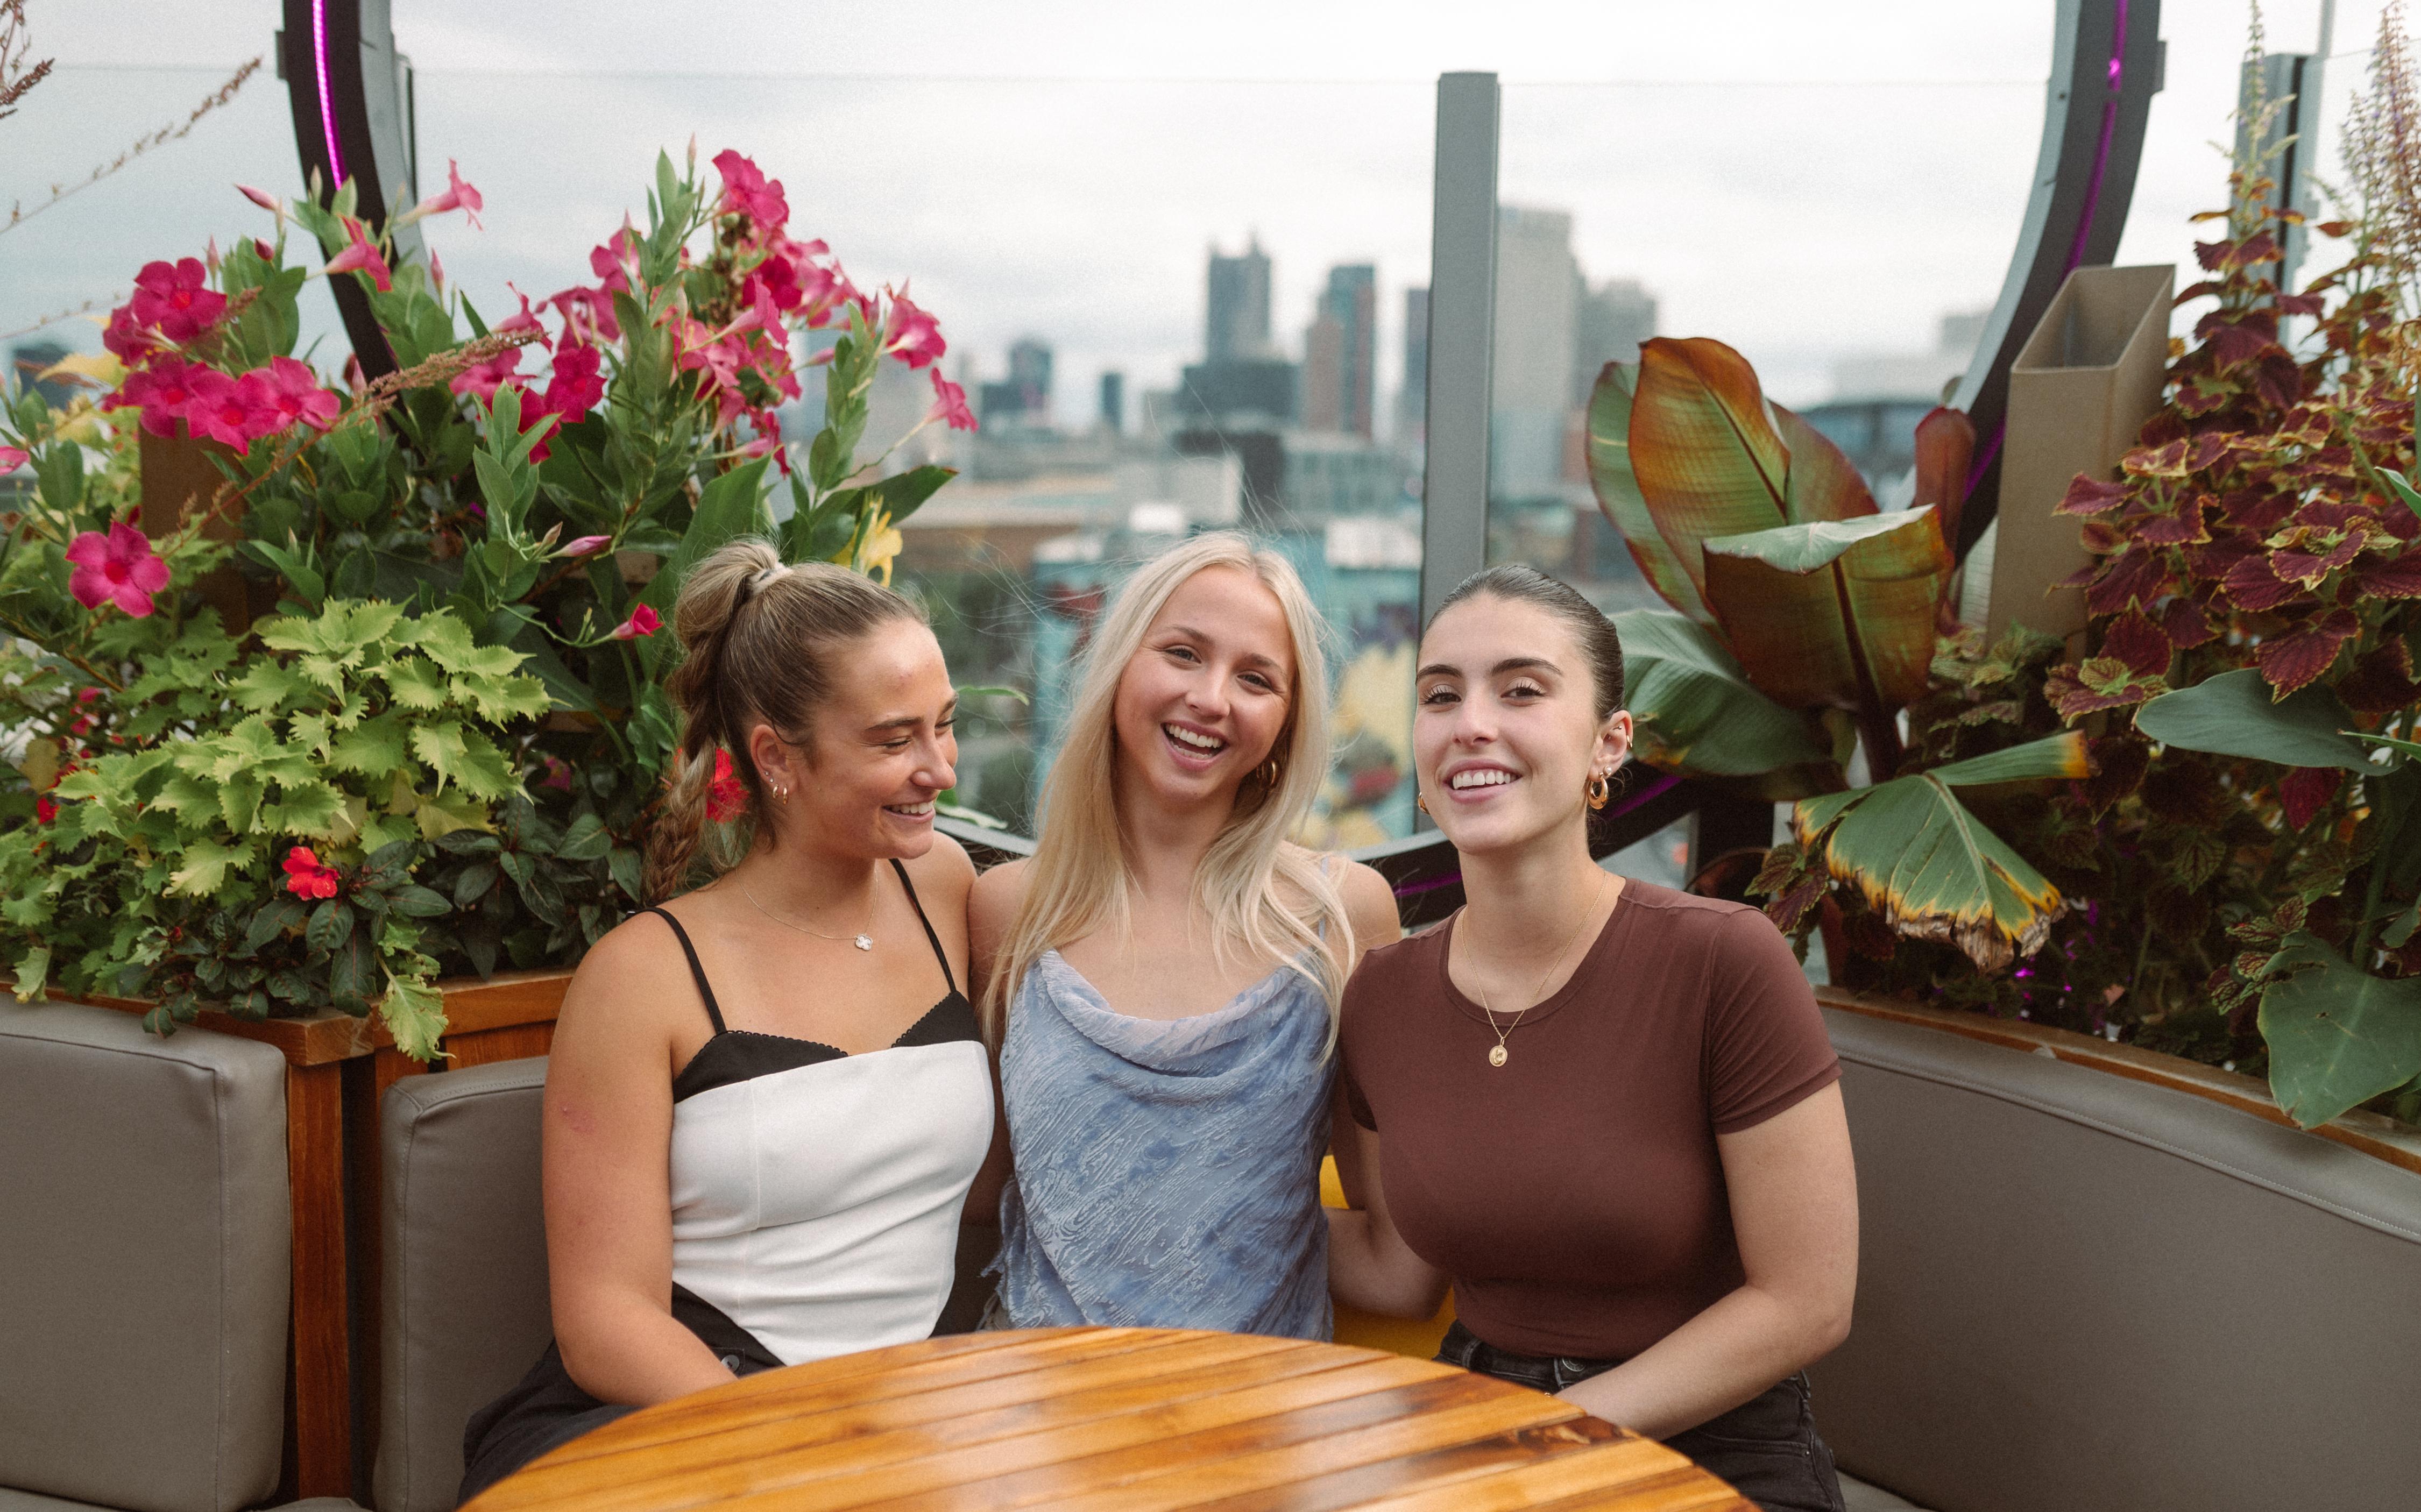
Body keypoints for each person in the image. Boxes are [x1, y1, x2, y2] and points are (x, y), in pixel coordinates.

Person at [458, 542, 994, 1500]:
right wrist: (799, 1457)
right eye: (893, 741)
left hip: (888, 1424)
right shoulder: (644, 976)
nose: (939, 771)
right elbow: (603, 1320)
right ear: (777, 757)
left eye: (946, 728)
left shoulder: (947, 889)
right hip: (674, 1425)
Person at [1326, 565, 1857, 1512]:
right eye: (1440, 695)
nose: (1471, 723)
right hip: (1474, 1423)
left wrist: (1551, 1434)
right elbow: (1398, 1275)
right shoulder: (1381, 997)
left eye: (1521, 690)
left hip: (1710, 1445)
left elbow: (1807, 1301)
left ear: (1609, 743)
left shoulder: (1724, 960)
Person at [969, 532, 1398, 1338]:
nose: (1212, 697)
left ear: (1286, 721)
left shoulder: (1342, 917)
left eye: (1256, 679)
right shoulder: (1005, 911)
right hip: (1034, 1423)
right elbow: (983, 1201)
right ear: (1118, 664)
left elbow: (1397, 1251)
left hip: (1261, 1426)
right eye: (1182, 653)